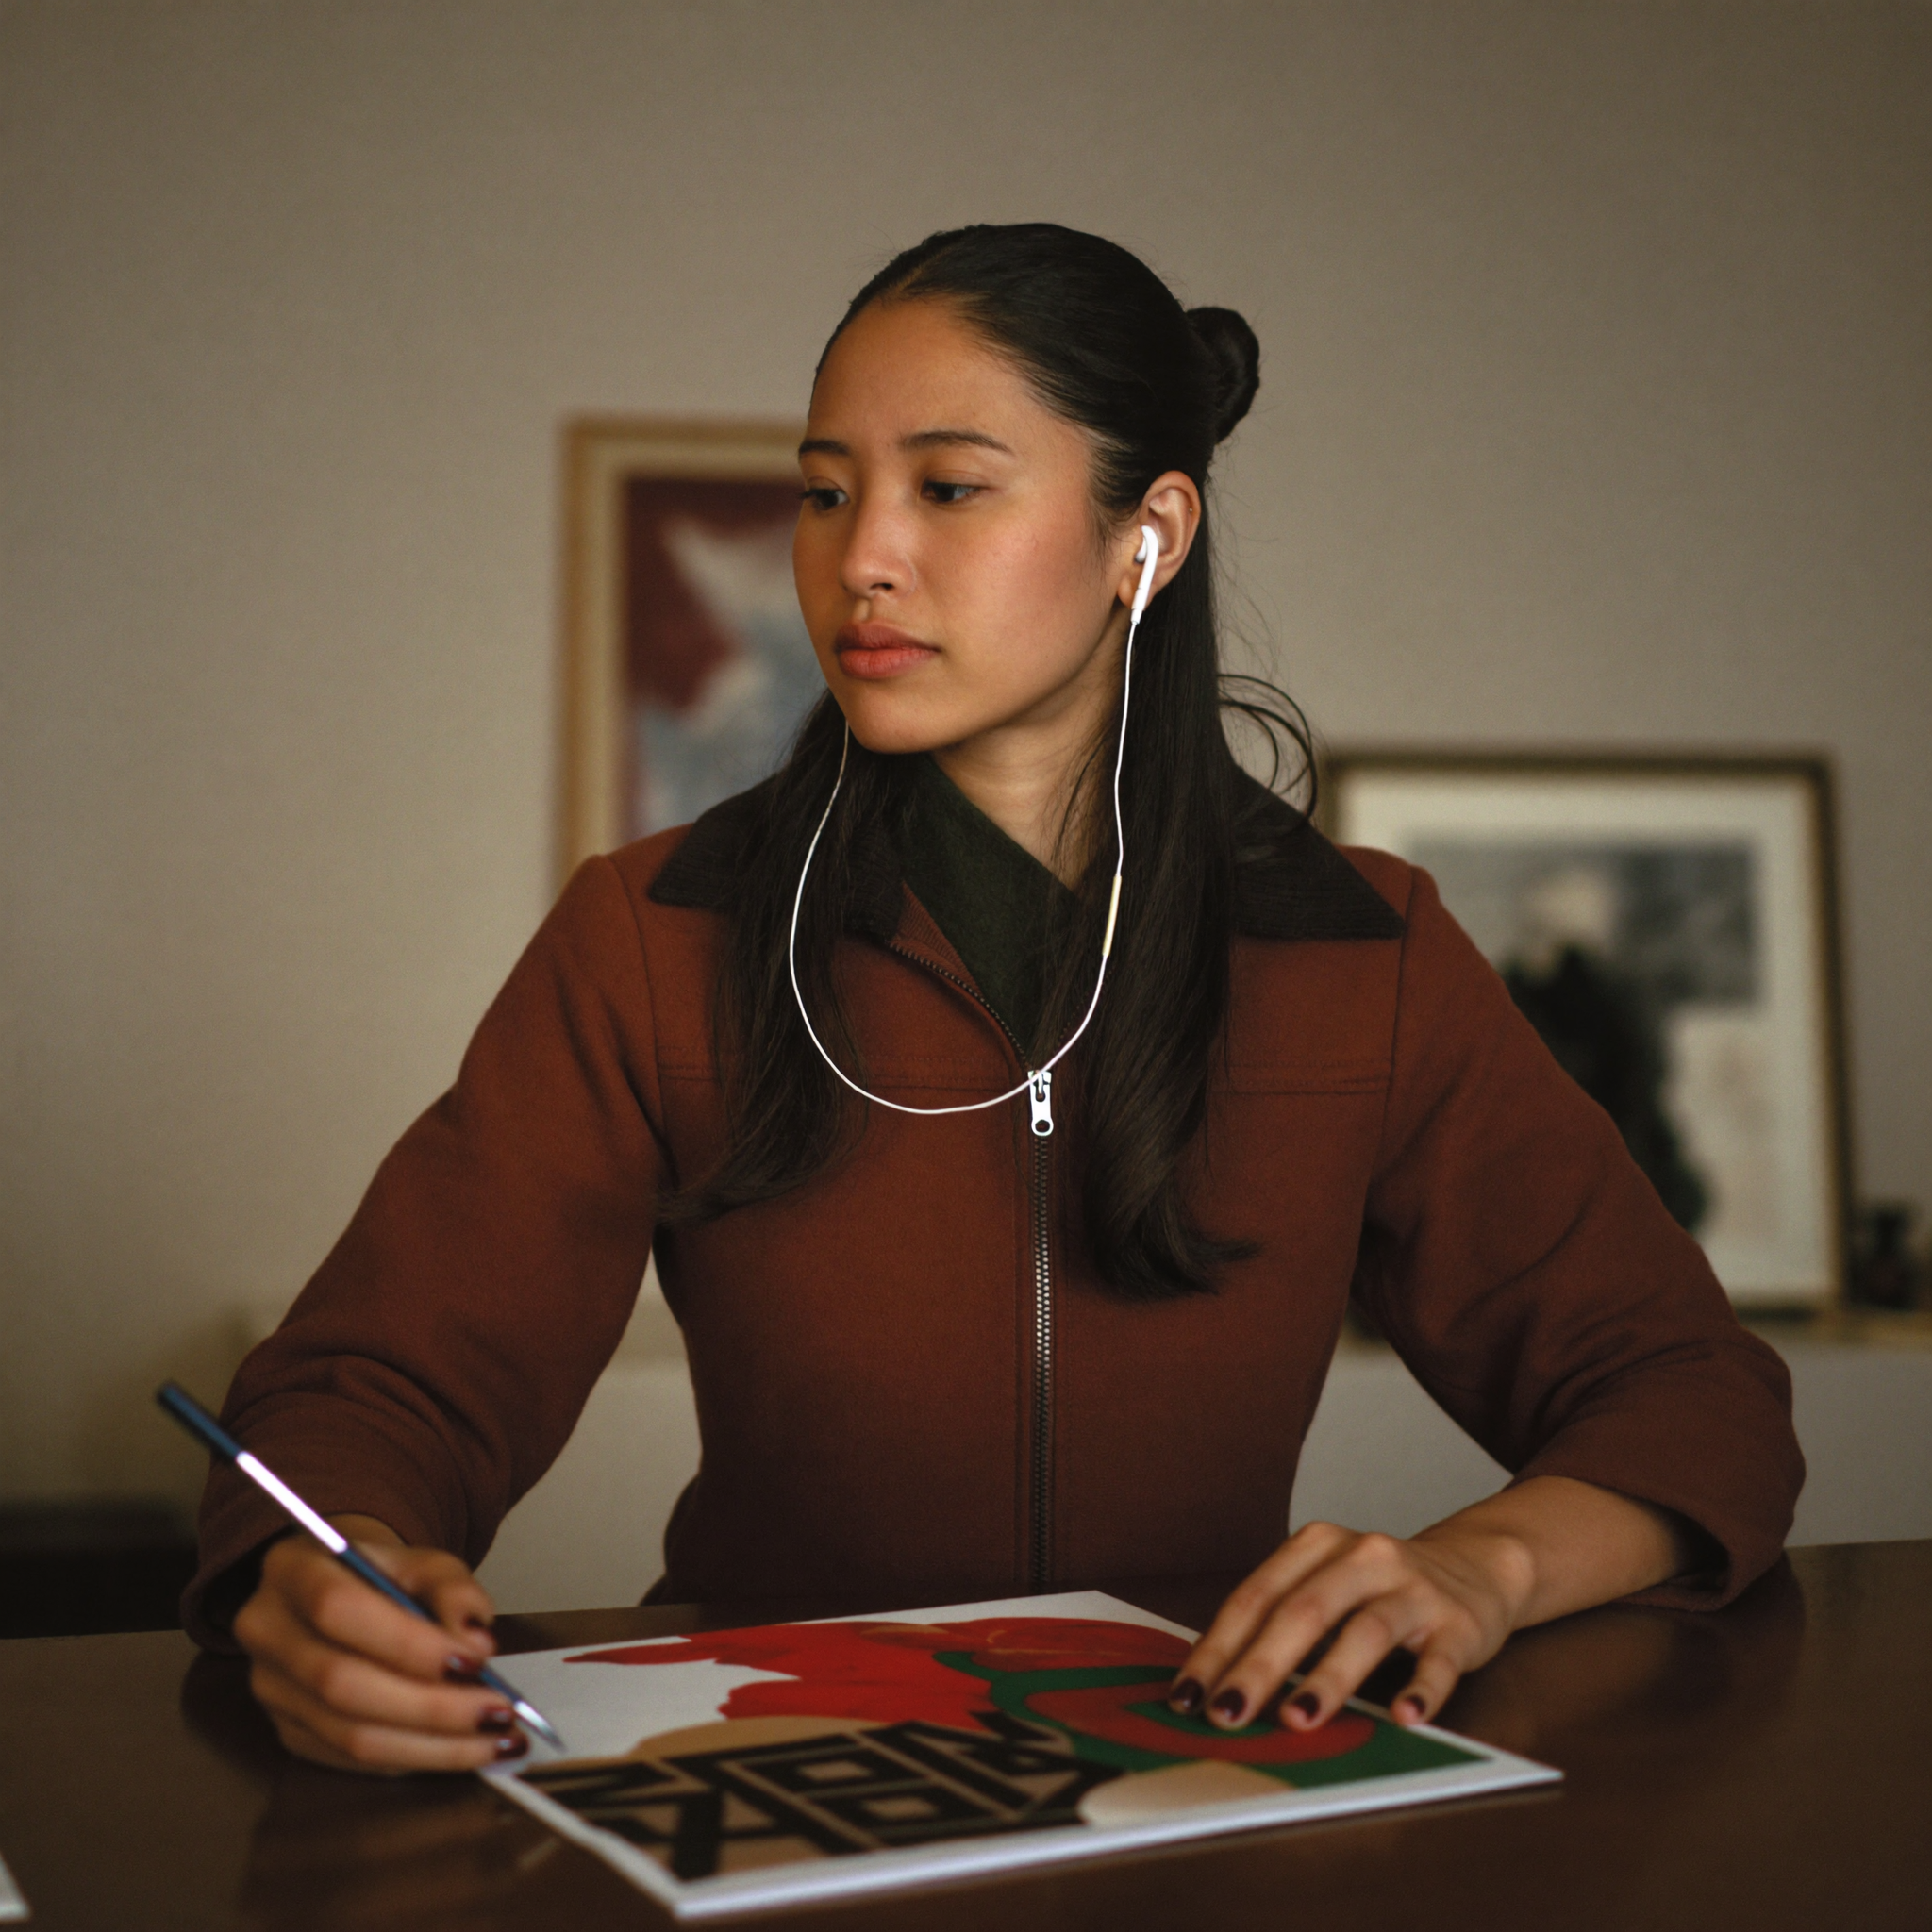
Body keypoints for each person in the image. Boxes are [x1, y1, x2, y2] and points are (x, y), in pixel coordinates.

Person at [185, 224, 1803, 1774]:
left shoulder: (1361, 952)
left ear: (1147, 537)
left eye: (948, 488)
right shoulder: (659, 932)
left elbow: (1691, 1397)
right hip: (772, 1776)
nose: (860, 559)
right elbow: (377, 1387)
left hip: (1203, 1781)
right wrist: (328, 1571)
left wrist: (1482, 1571)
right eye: (826, 492)